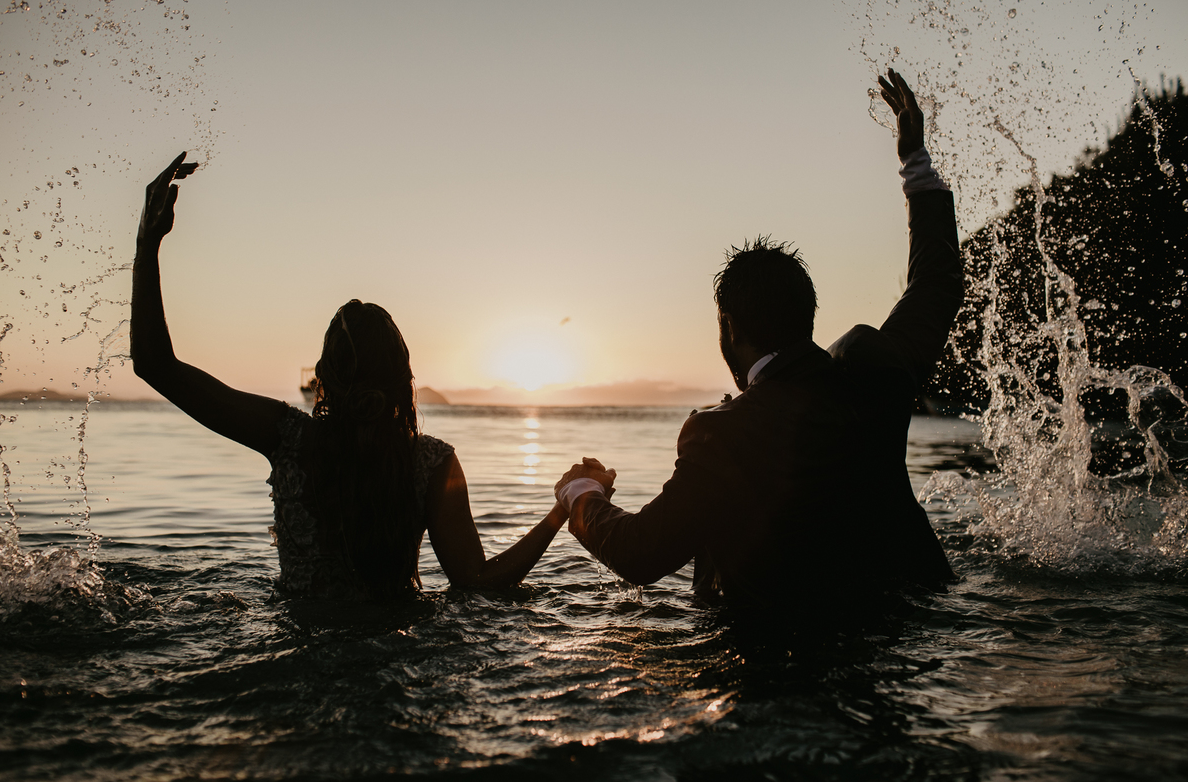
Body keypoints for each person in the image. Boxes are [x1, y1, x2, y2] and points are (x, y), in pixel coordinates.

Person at [553, 69, 962, 613]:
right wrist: (915, 161)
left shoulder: (722, 433)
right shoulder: (876, 375)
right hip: (902, 643)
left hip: (778, 667)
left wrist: (581, 496)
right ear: (807, 316)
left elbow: (641, 553)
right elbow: (936, 284)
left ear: (731, 329)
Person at [130, 154, 568, 599]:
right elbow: (476, 583)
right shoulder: (432, 464)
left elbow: (154, 364)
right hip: (399, 652)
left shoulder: (287, 438)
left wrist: (147, 245)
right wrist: (561, 510)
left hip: (300, 644)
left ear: (323, 378)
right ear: (405, 381)